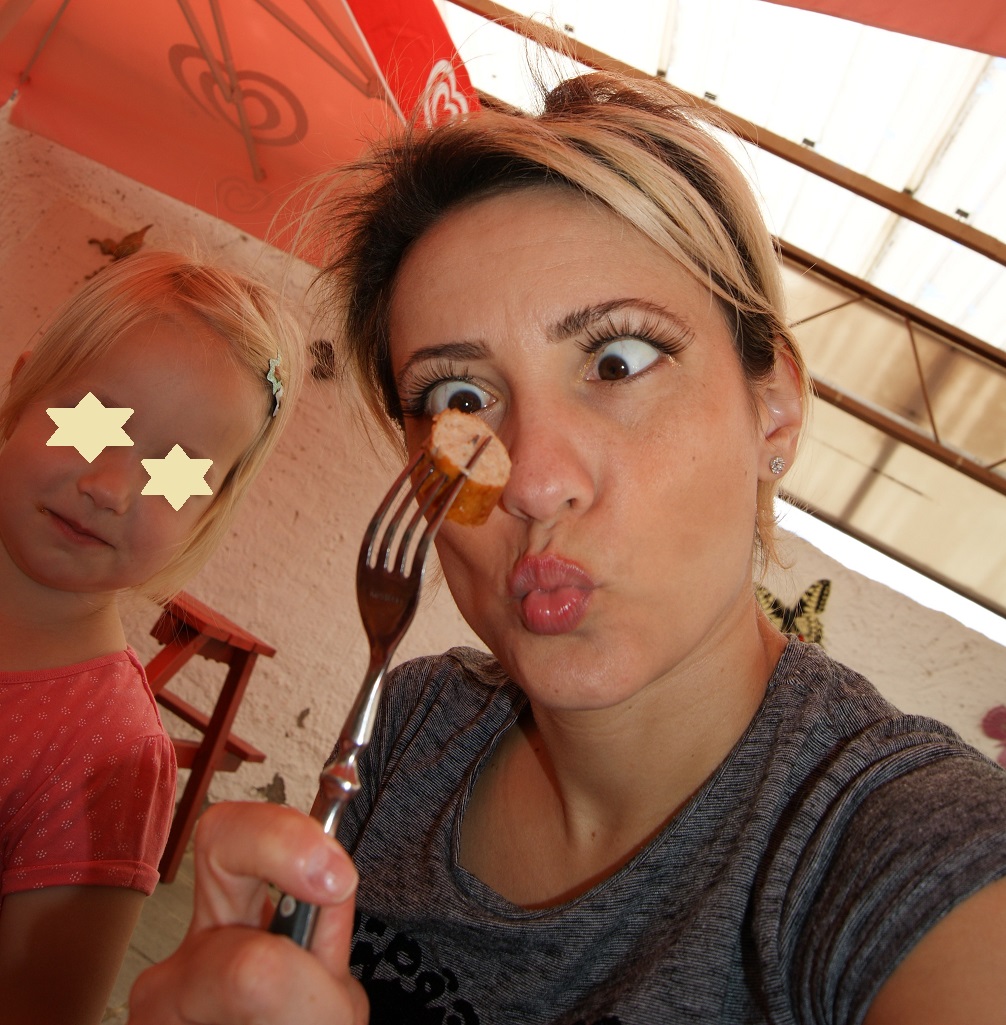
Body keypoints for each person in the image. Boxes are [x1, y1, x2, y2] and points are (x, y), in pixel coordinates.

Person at [129, 72, 1006, 1025]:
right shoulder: (411, 730)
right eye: (460, 398)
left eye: (619, 360)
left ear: (775, 409)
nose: (534, 481)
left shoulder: (901, 849)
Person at [0, 250, 302, 1025]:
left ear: (206, 512)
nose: (110, 487)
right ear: (21, 393)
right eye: (92, 423)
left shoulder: (110, 754)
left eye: (174, 472)